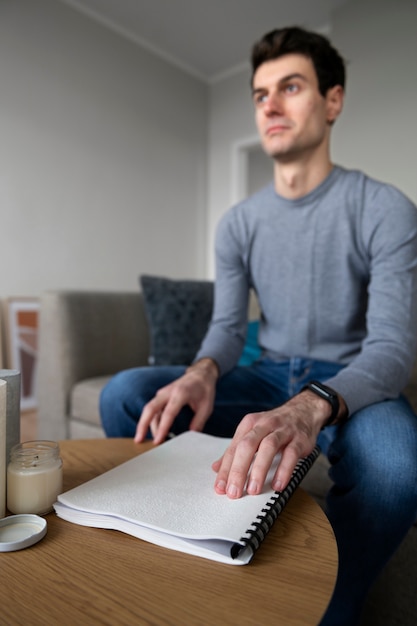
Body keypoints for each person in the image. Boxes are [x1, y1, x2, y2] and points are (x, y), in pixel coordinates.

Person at [100, 26, 417, 625]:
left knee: (400, 467)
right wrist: (202, 371)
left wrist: (312, 405)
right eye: (259, 93)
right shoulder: (238, 223)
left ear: (332, 101)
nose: (268, 104)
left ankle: (327, 610)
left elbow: (394, 348)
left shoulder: (386, 209)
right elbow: (225, 329)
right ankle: (188, 553)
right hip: (269, 374)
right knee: (129, 395)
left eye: (290, 87)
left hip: (354, 386)